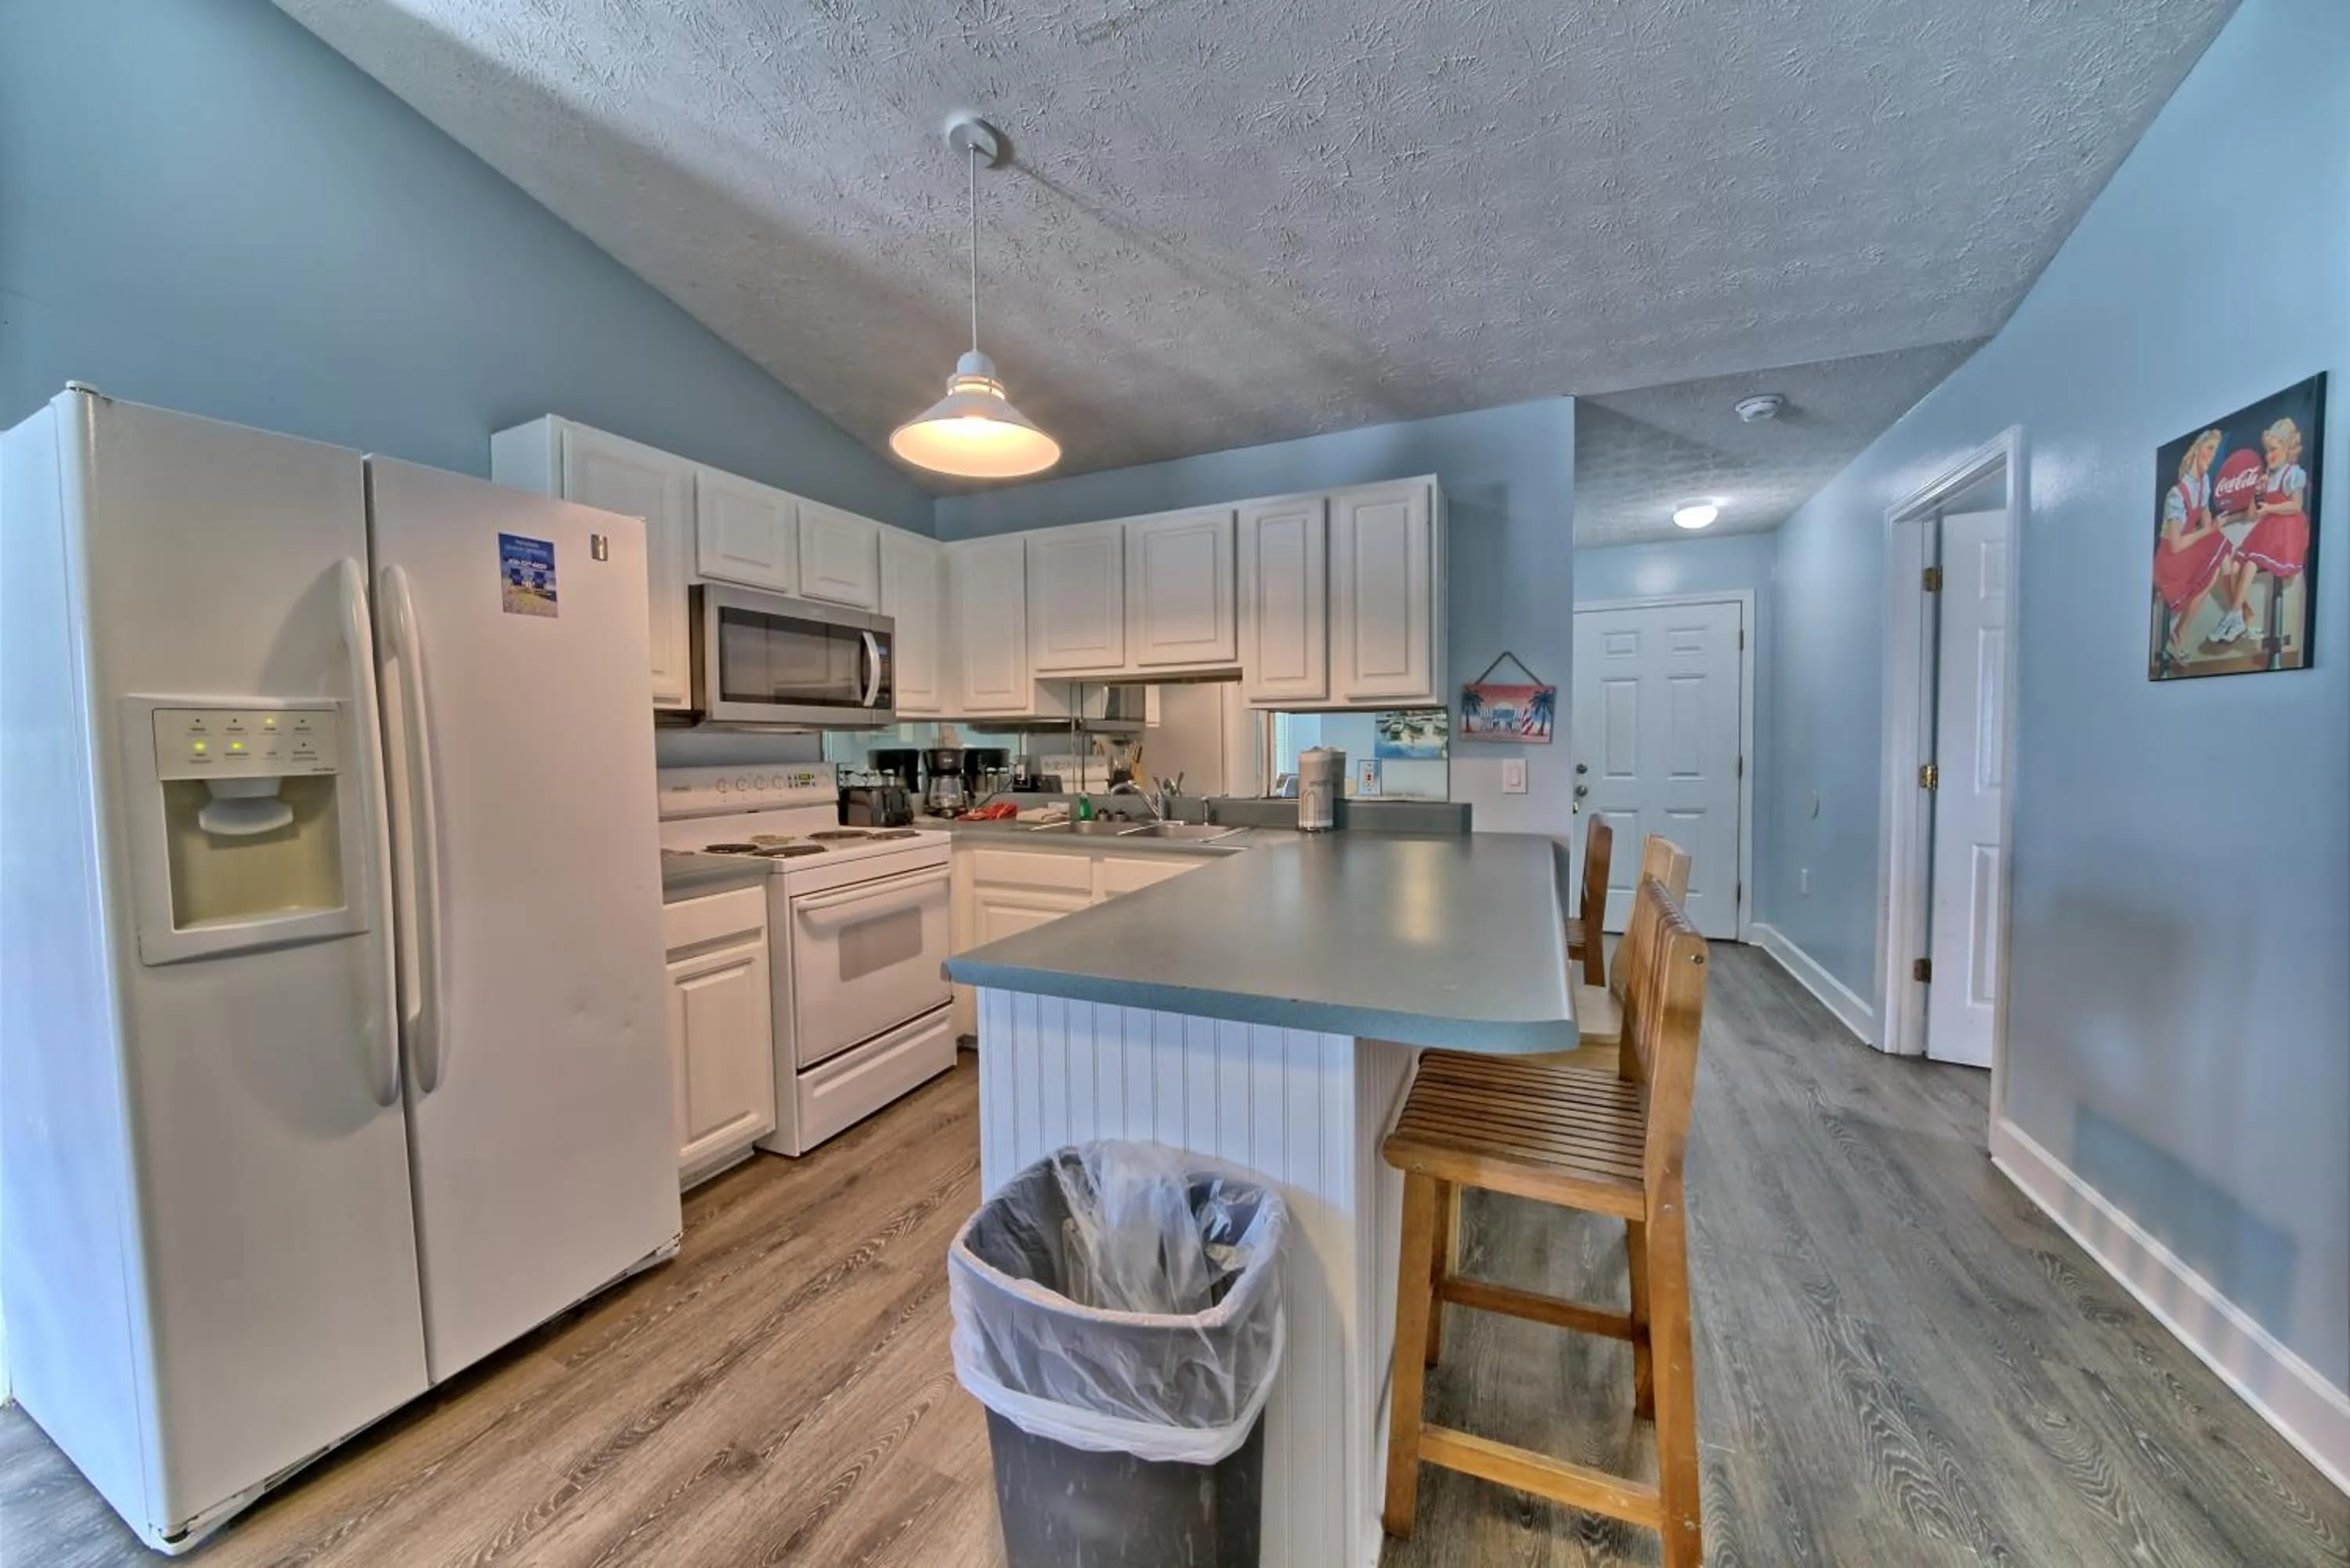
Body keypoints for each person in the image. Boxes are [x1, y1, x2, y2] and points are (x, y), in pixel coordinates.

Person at [2214, 418, 2311, 644]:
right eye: (2267, 451)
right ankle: (2241, 618)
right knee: (2235, 565)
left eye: (2273, 450)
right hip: (2267, 528)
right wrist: (2256, 494)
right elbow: (2253, 515)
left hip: (2288, 530)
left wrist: (2271, 507)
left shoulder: (2294, 473)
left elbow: (2296, 506)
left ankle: (2233, 615)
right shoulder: (2268, 477)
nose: (2269, 456)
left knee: (2250, 561)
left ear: (2288, 448)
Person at [2151, 428, 2228, 661]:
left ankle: (2181, 630)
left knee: (2220, 555)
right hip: (2168, 559)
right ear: (2196, 450)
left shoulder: (2203, 483)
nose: (2212, 455)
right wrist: (2210, 530)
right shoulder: (2176, 494)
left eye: (2215, 451)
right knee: (2218, 554)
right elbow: (2174, 545)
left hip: (2186, 552)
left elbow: (2209, 528)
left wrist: (2216, 528)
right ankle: (2178, 631)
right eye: (2209, 449)